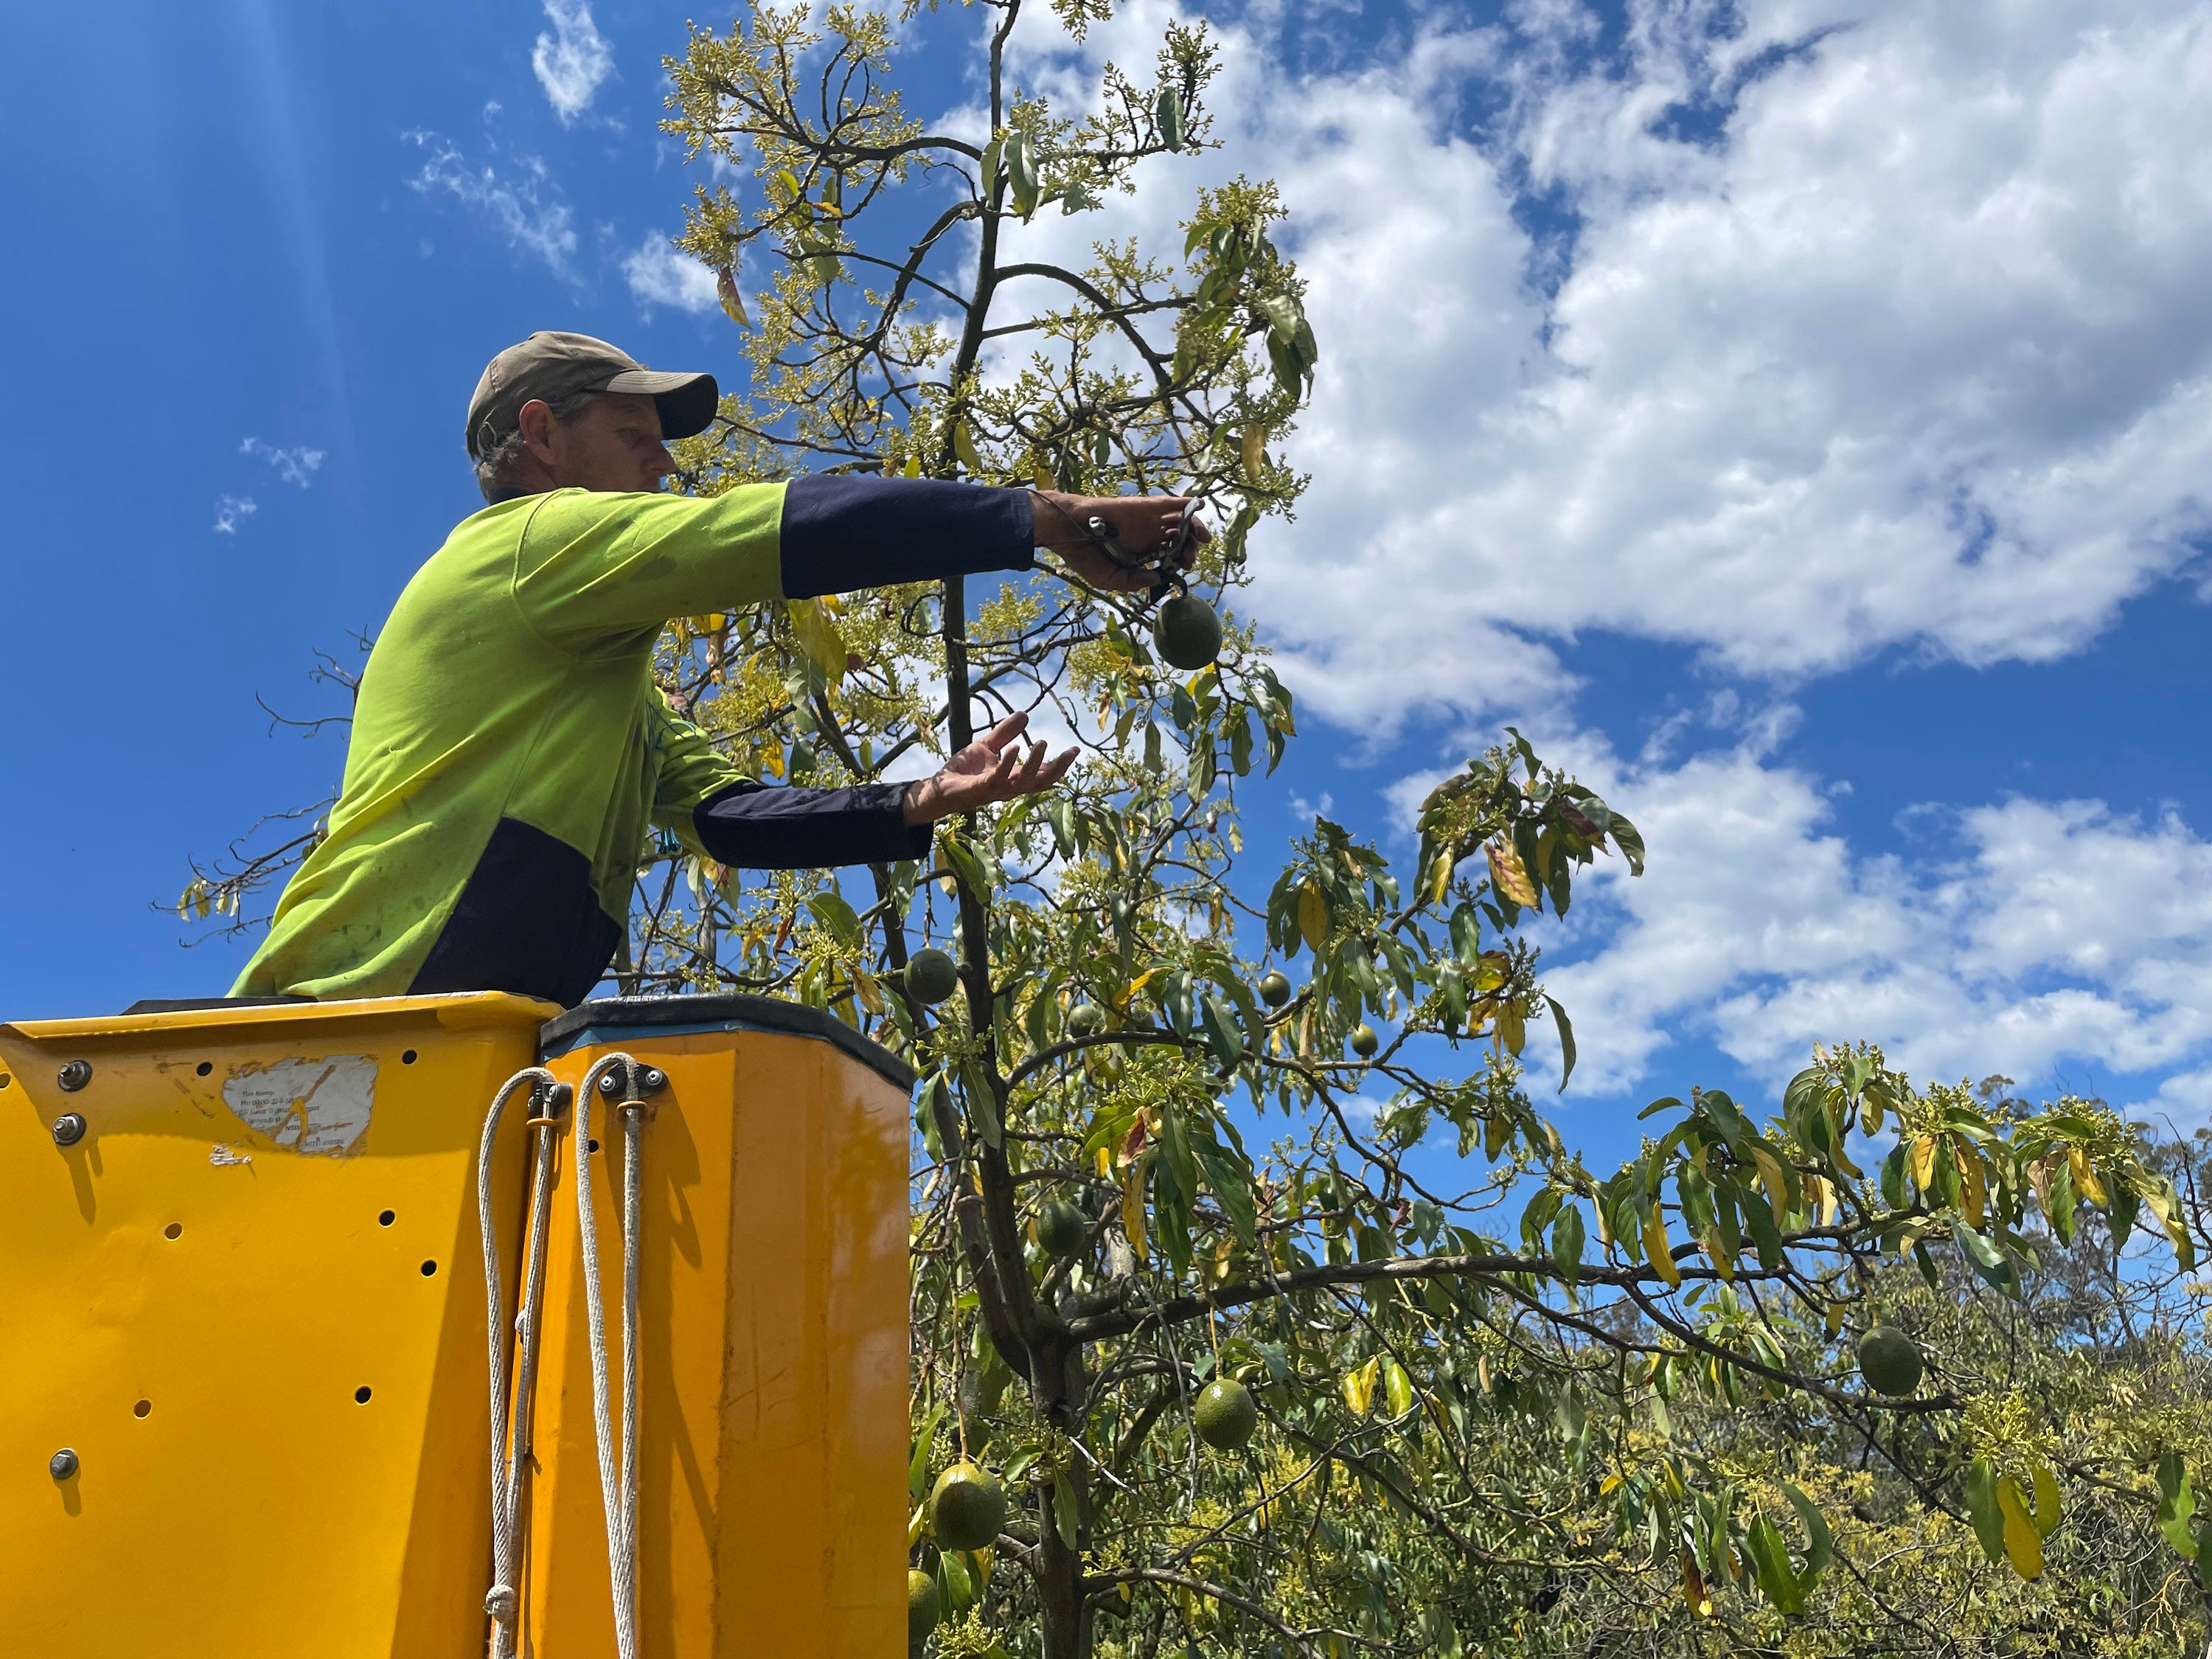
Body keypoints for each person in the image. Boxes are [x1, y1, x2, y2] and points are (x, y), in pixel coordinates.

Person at [232, 330, 1203, 1008]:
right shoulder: (532, 540)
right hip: (361, 996)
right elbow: (769, 533)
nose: (663, 464)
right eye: (634, 436)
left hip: (455, 1023)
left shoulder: (596, 675)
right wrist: (1039, 518)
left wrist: (919, 800)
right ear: (542, 435)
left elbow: (724, 818)